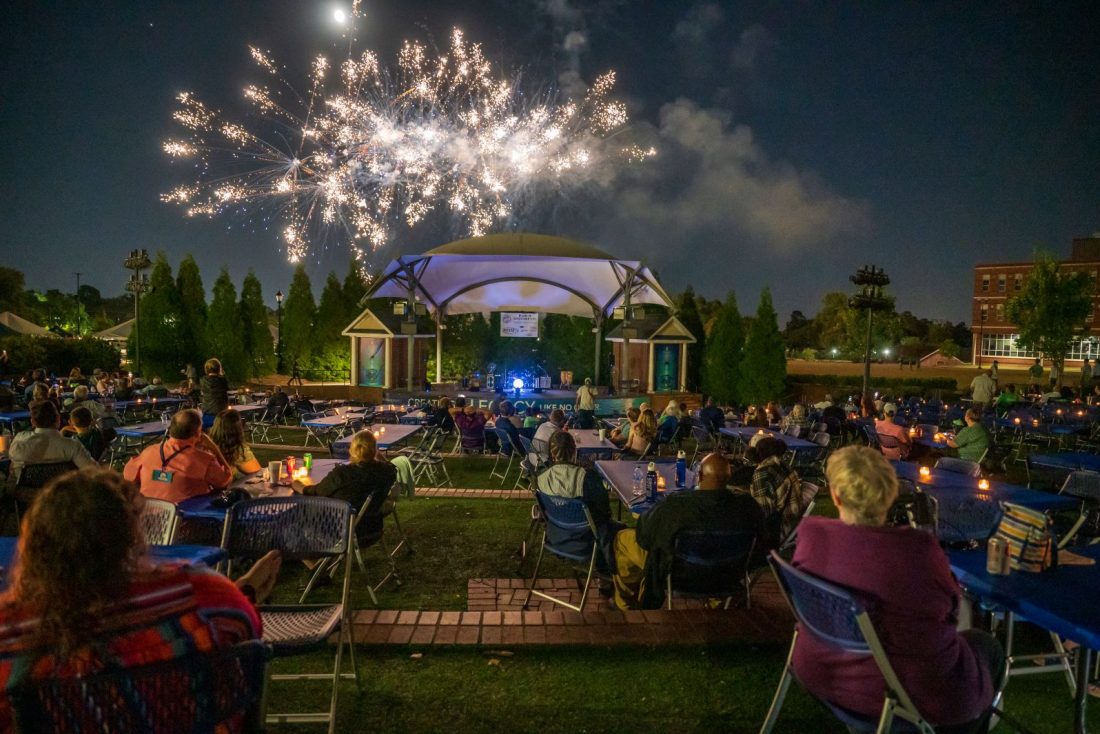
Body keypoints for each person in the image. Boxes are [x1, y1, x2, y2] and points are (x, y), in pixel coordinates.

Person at [0, 467, 278, 732]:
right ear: (131, 533)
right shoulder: (199, 595)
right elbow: (247, 630)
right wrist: (246, 593)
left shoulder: (10, 632)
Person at [790, 446, 1003, 733]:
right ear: (891, 495)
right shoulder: (916, 550)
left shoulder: (812, 536)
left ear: (836, 495)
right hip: (899, 688)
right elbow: (952, 609)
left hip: (823, 674)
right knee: (985, 645)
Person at [612, 453, 764, 610]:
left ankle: (625, 606)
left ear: (699, 475)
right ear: (729, 476)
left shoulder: (678, 505)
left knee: (623, 539)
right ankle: (716, 600)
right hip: (726, 577)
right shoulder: (749, 508)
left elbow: (644, 535)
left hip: (677, 575)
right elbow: (762, 549)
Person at [535, 431, 621, 571]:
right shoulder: (586, 478)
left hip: (556, 535)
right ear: (574, 450)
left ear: (551, 451)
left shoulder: (541, 478)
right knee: (616, 528)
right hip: (585, 538)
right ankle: (607, 577)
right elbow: (604, 510)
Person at [292, 430, 397, 543]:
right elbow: (391, 466)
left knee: (296, 514)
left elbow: (316, 492)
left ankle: (307, 557)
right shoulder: (387, 472)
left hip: (339, 529)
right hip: (372, 528)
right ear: (374, 450)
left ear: (352, 450)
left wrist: (298, 485)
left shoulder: (343, 474)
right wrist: (378, 456)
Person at [123, 408, 234, 503]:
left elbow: (128, 476)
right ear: (197, 433)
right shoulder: (203, 459)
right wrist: (214, 448)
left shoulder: (148, 452)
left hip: (149, 517)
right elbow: (225, 481)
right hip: (186, 521)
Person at [8, 400, 96, 483]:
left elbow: (13, 473)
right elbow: (93, 472)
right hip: (63, 495)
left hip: (24, 496)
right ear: (58, 419)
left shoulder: (19, 440)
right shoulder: (73, 446)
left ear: (33, 421)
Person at [748, 436, 803, 550]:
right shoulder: (784, 466)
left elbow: (763, 512)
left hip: (777, 530)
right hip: (793, 522)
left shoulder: (763, 473)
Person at [209, 408, 263, 478]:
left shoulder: (206, 444)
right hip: (226, 486)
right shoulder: (236, 449)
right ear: (238, 428)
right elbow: (257, 471)